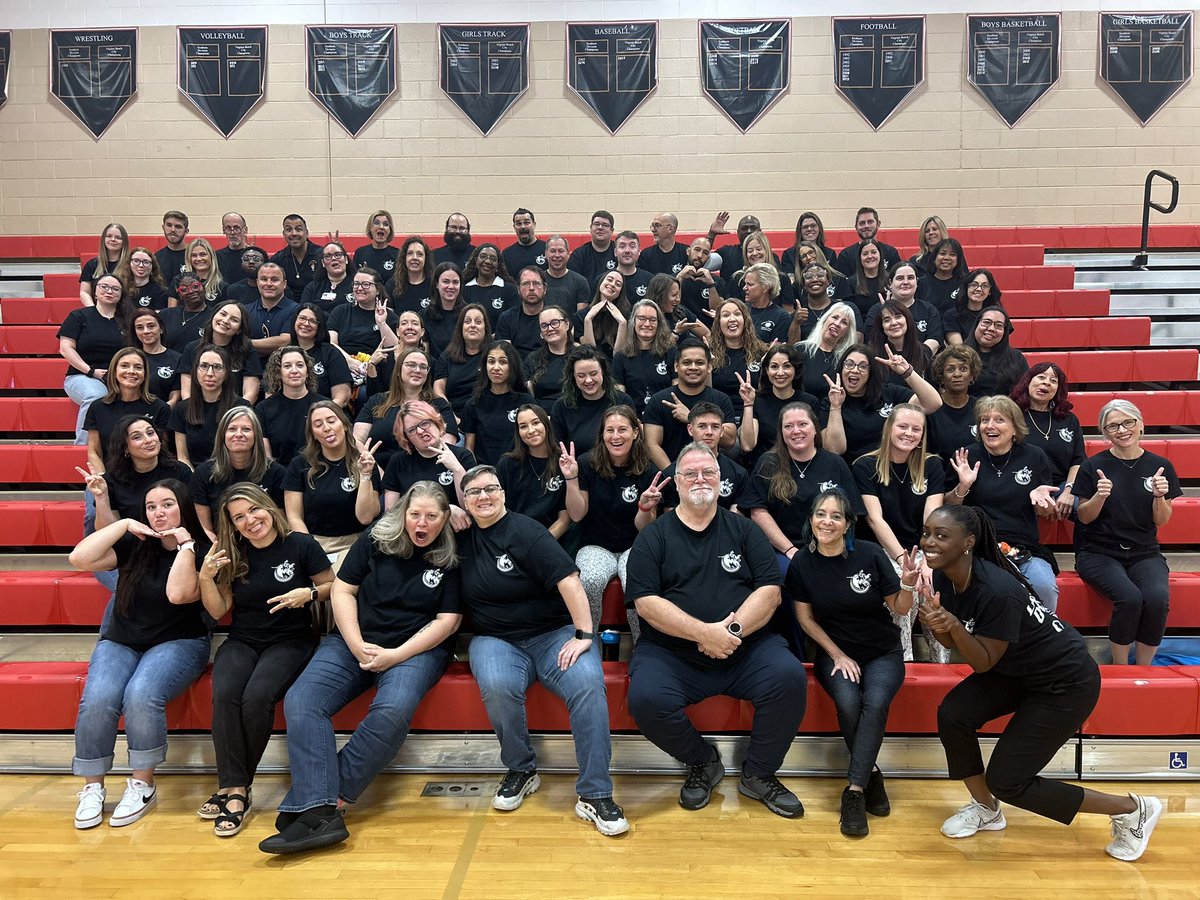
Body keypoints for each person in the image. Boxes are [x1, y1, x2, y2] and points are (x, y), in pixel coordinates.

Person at [918, 505, 1163, 861]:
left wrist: (952, 626)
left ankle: (1130, 809)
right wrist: (942, 627)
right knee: (954, 713)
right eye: (927, 533)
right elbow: (962, 646)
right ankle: (987, 809)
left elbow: (982, 661)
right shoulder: (946, 575)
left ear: (968, 542)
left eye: (941, 535)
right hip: (1017, 669)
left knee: (1008, 780)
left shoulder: (997, 589)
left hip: (1066, 680)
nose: (930, 542)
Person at [259, 482, 463, 854]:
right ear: (402, 514)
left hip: (416, 649)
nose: (422, 523)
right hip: (354, 639)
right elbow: (341, 590)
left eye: (432, 516)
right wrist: (355, 643)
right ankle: (320, 810)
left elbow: (447, 621)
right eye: (415, 514)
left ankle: (324, 803)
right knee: (302, 700)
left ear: (445, 519)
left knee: (392, 709)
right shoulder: (375, 538)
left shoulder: (452, 554)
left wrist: (395, 655)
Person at [626, 442, 807, 817]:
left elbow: (770, 592)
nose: (699, 479)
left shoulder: (744, 529)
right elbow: (646, 604)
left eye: (708, 472)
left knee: (789, 677)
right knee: (645, 698)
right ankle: (703, 761)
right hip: (672, 653)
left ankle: (758, 772)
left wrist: (732, 631)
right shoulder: (653, 536)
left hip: (747, 648)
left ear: (721, 480)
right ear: (676, 482)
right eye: (690, 473)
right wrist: (702, 634)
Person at [455, 464, 629, 836]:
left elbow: (569, 580)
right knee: (499, 685)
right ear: (464, 501)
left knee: (587, 684)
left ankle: (595, 793)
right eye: (474, 492)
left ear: (503, 493)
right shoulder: (459, 535)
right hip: (495, 638)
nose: (483, 497)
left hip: (554, 633)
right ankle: (521, 769)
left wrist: (584, 634)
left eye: (491, 488)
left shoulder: (527, 531)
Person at [68, 479, 211, 830]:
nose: (158, 513)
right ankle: (92, 787)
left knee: (141, 694)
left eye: (167, 505)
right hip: (122, 640)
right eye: (151, 507)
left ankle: (142, 784)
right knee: (98, 698)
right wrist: (123, 524)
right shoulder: (134, 541)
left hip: (179, 641)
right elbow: (78, 558)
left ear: (183, 508)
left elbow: (179, 595)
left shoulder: (204, 547)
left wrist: (186, 544)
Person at [198, 484, 334, 837]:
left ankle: (235, 788)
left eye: (253, 511)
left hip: (291, 640)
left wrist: (310, 593)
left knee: (257, 696)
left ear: (267, 507)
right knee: (225, 693)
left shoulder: (301, 545)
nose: (250, 521)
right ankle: (236, 787)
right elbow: (218, 609)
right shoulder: (232, 553)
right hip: (243, 640)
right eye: (239, 517)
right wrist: (205, 577)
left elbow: (334, 585)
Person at [790, 489, 910, 835]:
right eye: (821, 514)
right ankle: (872, 775)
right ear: (811, 519)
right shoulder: (802, 563)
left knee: (875, 702)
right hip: (834, 652)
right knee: (848, 701)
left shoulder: (870, 555)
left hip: (881, 652)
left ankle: (854, 791)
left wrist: (908, 585)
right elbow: (806, 620)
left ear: (847, 525)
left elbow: (900, 608)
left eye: (836, 516)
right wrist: (838, 654)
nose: (827, 522)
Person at [1073, 400, 1181, 665]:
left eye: (1128, 422)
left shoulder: (1161, 466)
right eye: (1112, 426)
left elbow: (1163, 520)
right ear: (1105, 433)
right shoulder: (1092, 466)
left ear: (1140, 425)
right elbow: (1083, 517)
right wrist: (1099, 496)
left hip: (1144, 552)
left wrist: (1159, 496)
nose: (1121, 430)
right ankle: (1121, 668)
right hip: (1098, 552)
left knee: (1157, 600)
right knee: (1130, 598)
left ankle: (1144, 669)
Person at [946, 395, 1060, 612]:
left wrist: (1042, 501)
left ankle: (1042, 641)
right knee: (989, 588)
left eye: (999, 420)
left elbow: (1044, 511)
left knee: (1044, 586)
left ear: (1015, 428)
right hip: (977, 546)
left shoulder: (1035, 456)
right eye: (984, 420)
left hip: (1024, 547)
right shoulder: (966, 456)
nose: (990, 425)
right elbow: (949, 507)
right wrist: (963, 486)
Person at [854, 403, 946, 661]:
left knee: (933, 588)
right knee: (904, 588)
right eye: (902, 426)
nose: (909, 433)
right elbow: (875, 520)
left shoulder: (932, 465)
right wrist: (903, 563)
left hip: (924, 548)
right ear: (889, 429)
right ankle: (902, 662)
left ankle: (943, 667)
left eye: (916, 429)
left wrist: (929, 560)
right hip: (882, 551)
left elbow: (933, 519)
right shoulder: (865, 465)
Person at [561, 405, 664, 630]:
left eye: (622, 430)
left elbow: (645, 530)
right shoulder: (587, 463)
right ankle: (588, 642)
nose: (615, 436)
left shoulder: (648, 469)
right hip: (595, 545)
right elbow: (577, 515)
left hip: (635, 546)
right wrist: (571, 479)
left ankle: (643, 646)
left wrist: (645, 508)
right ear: (602, 434)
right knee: (589, 579)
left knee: (636, 583)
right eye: (609, 430)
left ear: (636, 432)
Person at [743, 402, 864, 575]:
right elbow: (757, 512)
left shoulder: (835, 463)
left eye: (802, 424)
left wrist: (830, 548)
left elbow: (852, 513)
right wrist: (790, 550)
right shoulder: (768, 463)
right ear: (782, 433)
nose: (796, 431)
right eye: (788, 426)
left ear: (815, 428)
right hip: (782, 550)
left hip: (830, 546)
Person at [285, 401, 383, 573]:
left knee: (339, 582)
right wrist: (310, 550)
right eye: (318, 424)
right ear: (313, 434)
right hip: (315, 543)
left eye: (331, 421)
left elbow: (366, 517)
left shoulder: (365, 461)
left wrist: (365, 474)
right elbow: (294, 518)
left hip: (356, 543)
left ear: (345, 425)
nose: (326, 428)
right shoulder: (299, 465)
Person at [822, 343, 942, 463]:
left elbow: (933, 403)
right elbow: (835, 449)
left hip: (891, 468)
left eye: (863, 367)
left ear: (871, 372)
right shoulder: (831, 401)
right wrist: (836, 406)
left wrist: (906, 372)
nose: (855, 370)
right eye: (849, 364)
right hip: (854, 471)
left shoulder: (889, 392)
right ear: (841, 368)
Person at [78, 415, 193, 534]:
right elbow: (106, 532)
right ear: (125, 448)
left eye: (150, 433)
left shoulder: (180, 471)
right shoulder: (111, 480)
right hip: (134, 543)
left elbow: (193, 518)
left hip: (177, 540)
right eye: (137, 437)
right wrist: (101, 497)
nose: (148, 440)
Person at [355, 346, 459, 473]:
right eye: (411, 365)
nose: (417, 370)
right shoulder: (377, 401)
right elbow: (357, 440)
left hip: (425, 475)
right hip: (377, 472)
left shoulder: (439, 404)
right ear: (398, 370)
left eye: (423, 367)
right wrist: (376, 472)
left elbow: (447, 443)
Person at [191, 406, 286, 537]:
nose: (239, 434)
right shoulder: (203, 473)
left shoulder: (276, 472)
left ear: (256, 435)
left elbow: (280, 522)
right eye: (232, 429)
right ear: (222, 435)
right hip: (222, 544)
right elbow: (206, 529)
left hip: (266, 542)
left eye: (246, 429)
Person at [643, 338, 737, 468]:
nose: (693, 367)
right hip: (671, 478)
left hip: (710, 474)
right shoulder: (659, 401)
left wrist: (690, 418)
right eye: (687, 362)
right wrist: (675, 477)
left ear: (709, 367)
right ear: (676, 366)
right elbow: (651, 445)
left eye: (699, 362)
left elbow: (730, 441)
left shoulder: (721, 399)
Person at [60, 273, 129, 444]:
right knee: (96, 396)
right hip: (82, 375)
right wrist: (91, 371)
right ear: (95, 292)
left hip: (119, 378)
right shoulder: (79, 316)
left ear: (121, 295)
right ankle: (83, 447)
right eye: (104, 287)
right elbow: (66, 349)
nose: (109, 291)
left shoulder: (127, 321)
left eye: (115, 289)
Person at [1011, 363, 1085, 520]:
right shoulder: (1012, 415)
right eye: (1041, 377)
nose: (1046, 382)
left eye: (1053, 380)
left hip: (1060, 486)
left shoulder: (1068, 419)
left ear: (1058, 390)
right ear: (1028, 382)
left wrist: (1069, 491)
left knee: (1086, 507)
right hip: (1022, 483)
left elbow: (1078, 460)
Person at [84, 348, 171, 477]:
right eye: (124, 366)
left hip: (150, 477)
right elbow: (94, 451)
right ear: (114, 372)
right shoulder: (97, 407)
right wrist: (104, 479)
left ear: (145, 374)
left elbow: (160, 450)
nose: (131, 371)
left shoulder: (160, 408)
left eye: (138, 367)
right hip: (110, 476)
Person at [380, 400, 475, 515]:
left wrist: (457, 469)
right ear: (406, 437)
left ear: (436, 422)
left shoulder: (462, 456)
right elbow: (390, 513)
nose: (420, 431)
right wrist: (446, 511)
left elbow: (470, 508)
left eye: (424, 423)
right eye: (412, 430)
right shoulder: (398, 461)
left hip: (455, 528)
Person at [168, 346, 251, 468]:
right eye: (204, 366)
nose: (210, 373)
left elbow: (246, 455)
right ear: (195, 370)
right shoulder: (182, 409)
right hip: (194, 474)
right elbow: (183, 457)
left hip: (231, 473)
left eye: (217, 367)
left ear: (226, 372)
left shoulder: (241, 407)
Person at [740, 343, 821, 466]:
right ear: (767, 370)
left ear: (795, 370)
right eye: (774, 367)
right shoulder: (756, 400)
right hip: (766, 467)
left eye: (787, 366)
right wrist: (748, 404)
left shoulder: (810, 402)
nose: (780, 372)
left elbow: (816, 443)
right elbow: (747, 445)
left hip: (801, 466)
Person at [496, 404, 570, 538]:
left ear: (546, 425)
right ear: (518, 432)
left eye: (536, 423)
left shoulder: (563, 463)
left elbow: (564, 519)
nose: (531, 430)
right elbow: (499, 510)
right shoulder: (507, 464)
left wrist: (540, 545)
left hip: (550, 540)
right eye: (523, 426)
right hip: (513, 537)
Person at [549, 345, 634, 456]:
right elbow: (557, 449)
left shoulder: (622, 400)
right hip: (576, 470)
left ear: (603, 372)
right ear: (573, 377)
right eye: (581, 375)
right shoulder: (562, 406)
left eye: (593, 374)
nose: (588, 380)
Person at [461, 341, 533, 465]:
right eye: (491, 361)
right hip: (485, 473)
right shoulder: (473, 404)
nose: (496, 368)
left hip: (519, 469)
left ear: (512, 366)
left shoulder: (525, 401)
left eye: (503, 362)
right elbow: (469, 449)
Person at [328, 267, 400, 386]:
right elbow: (331, 343)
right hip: (342, 364)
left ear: (377, 290)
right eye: (356, 284)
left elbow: (394, 348)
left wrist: (382, 323)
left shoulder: (389, 316)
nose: (360, 288)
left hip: (374, 370)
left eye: (366, 284)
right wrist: (349, 361)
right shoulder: (340, 311)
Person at [257, 346, 329, 465]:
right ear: (278, 373)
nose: (294, 370)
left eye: (300, 365)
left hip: (319, 470)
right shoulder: (263, 409)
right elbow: (267, 458)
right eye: (287, 366)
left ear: (307, 372)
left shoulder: (325, 406)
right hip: (280, 475)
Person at [179, 300, 262, 403]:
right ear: (213, 315)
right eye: (223, 314)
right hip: (197, 411)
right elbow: (187, 392)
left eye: (234, 320)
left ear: (239, 330)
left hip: (234, 412)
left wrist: (236, 415)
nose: (226, 321)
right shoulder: (192, 348)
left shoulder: (247, 351)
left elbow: (250, 393)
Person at [863, 262, 944, 356]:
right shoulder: (877, 310)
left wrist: (916, 358)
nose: (905, 282)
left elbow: (935, 339)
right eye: (900, 278)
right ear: (890, 283)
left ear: (917, 282)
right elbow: (871, 340)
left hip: (920, 364)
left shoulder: (929, 309)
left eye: (910, 278)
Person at [614, 299, 676, 415]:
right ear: (633, 321)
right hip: (633, 419)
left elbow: (676, 393)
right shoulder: (620, 357)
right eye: (642, 318)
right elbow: (620, 400)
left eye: (652, 320)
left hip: (665, 417)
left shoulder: (672, 353)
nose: (647, 324)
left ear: (659, 323)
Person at [708, 298, 768, 419]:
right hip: (719, 418)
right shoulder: (709, 353)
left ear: (745, 320)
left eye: (737, 314)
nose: (732, 319)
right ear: (718, 322)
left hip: (754, 417)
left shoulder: (762, 352)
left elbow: (766, 394)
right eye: (725, 315)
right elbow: (706, 393)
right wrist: (707, 365)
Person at [926, 345, 983, 466]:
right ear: (941, 377)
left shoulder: (981, 408)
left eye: (963, 369)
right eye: (950, 370)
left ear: (972, 375)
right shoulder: (931, 409)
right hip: (940, 477)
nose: (957, 374)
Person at [291, 303, 353, 408]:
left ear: (320, 326)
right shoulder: (283, 352)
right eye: (302, 318)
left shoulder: (331, 353)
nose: (306, 324)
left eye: (313, 321)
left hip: (325, 414)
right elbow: (271, 392)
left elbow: (342, 397)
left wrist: (319, 415)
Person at [433, 303, 488, 417]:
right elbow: (438, 389)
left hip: (487, 416)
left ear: (485, 328)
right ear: (461, 327)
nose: (472, 325)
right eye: (467, 322)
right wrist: (450, 416)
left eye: (478, 322)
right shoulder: (447, 356)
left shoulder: (493, 355)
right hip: (455, 416)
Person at [797, 302, 859, 401]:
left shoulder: (846, 360)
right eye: (835, 317)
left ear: (846, 334)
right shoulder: (801, 350)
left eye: (844, 322)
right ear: (825, 320)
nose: (837, 323)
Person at [867, 301, 933, 387]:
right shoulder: (872, 354)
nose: (894, 323)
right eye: (887, 320)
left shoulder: (924, 351)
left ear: (907, 320)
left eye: (898, 317)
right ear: (881, 326)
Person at [967, 307, 1027, 398]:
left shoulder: (1016, 358)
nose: (991, 329)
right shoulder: (958, 355)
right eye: (987, 322)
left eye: (998, 325)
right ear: (977, 324)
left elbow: (1024, 390)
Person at [728, 232, 797, 312]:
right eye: (750, 251)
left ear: (767, 250)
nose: (754, 253)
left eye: (758, 249)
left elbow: (788, 312)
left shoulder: (782, 278)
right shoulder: (737, 279)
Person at [526, 305, 577, 406]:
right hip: (544, 417)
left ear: (567, 324)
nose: (550, 328)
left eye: (554, 323)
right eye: (544, 326)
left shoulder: (581, 356)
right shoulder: (533, 359)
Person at [130, 309, 182, 406]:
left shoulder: (177, 358)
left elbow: (175, 396)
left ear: (161, 328)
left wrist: (162, 412)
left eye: (151, 326)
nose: (146, 331)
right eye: (140, 327)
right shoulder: (130, 357)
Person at [496, 266, 549, 357]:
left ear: (545, 288)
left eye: (536, 283)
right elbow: (505, 355)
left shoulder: (555, 318)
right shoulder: (507, 318)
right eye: (526, 284)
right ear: (518, 289)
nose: (531, 288)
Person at [834, 207, 902, 278]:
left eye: (870, 222)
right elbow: (843, 284)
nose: (866, 226)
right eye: (862, 223)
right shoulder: (845, 255)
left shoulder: (891, 253)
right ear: (856, 227)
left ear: (878, 224)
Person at [577, 270, 629, 359]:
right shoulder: (580, 316)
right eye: (609, 279)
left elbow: (619, 357)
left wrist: (622, 323)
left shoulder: (626, 316)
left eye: (618, 284)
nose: (612, 284)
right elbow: (589, 354)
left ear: (620, 292)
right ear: (601, 282)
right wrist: (588, 320)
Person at [270, 214, 322, 301]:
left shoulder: (321, 255)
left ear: (306, 233)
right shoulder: (278, 260)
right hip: (289, 308)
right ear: (284, 234)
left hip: (318, 305)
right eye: (289, 229)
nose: (294, 233)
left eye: (299, 229)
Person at [944, 268, 1003, 346]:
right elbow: (958, 347)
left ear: (990, 291)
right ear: (966, 288)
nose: (979, 289)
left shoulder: (997, 315)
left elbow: (1001, 343)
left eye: (985, 286)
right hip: (965, 356)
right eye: (974, 284)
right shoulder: (951, 315)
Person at [161, 273, 216, 353]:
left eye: (195, 286)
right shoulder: (166, 315)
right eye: (184, 290)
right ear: (179, 294)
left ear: (203, 287)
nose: (191, 291)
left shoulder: (214, 316)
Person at [649, 272, 709, 343]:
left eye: (678, 295)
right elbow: (659, 351)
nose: (678, 300)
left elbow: (707, 334)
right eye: (674, 295)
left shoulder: (680, 311)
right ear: (660, 295)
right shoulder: (647, 318)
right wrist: (676, 333)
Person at [80, 223, 131, 307]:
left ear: (124, 242)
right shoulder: (92, 264)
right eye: (109, 236)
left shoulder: (130, 264)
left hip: (123, 312)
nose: (113, 239)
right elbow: (84, 292)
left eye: (118, 237)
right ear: (104, 239)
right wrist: (93, 310)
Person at [675, 237, 726, 319]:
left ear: (708, 258)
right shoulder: (674, 278)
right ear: (688, 251)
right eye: (697, 250)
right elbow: (672, 305)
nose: (700, 255)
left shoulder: (717, 281)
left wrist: (710, 284)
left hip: (709, 327)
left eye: (705, 253)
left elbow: (717, 311)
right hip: (681, 326)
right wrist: (680, 278)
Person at [300, 241, 356, 316]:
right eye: (328, 256)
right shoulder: (312, 287)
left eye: (338, 255)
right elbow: (303, 313)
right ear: (323, 263)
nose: (333, 258)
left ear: (346, 259)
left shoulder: (357, 285)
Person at [463, 242, 518, 318]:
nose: (487, 261)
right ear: (476, 261)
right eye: (483, 256)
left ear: (498, 264)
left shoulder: (509, 289)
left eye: (493, 258)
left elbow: (514, 319)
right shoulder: (465, 289)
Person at [423, 263, 466, 359]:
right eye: (446, 281)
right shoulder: (424, 315)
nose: (451, 286)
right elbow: (425, 353)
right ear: (437, 284)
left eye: (455, 282)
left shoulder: (468, 314)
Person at [920, 238, 969, 313]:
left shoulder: (965, 284)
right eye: (942, 253)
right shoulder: (921, 283)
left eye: (952, 255)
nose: (946, 258)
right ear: (934, 258)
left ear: (958, 260)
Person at [567, 210, 617, 283]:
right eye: (596, 224)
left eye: (605, 225)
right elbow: (573, 285)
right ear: (590, 228)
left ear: (612, 230)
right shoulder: (578, 255)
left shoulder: (619, 252)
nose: (600, 227)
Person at [543, 235, 591, 312]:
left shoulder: (580, 282)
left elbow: (580, 318)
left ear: (568, 254)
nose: (557, 255)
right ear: (546, 254)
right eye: (553, 251)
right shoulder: (539, 281)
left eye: (561, 251)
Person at [389, 235, 435, 315]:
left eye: (420, 254)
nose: (414, 258)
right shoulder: (392, 285)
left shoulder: (434, 285)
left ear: (426, 259)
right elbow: (389, 318)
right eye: (410, 253)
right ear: (404, 258)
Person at [846, 239, 888, 319]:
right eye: (865, 254)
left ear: (880, 255)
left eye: (874, 252)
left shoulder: (890, 280)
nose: (870, 256)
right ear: (860, 258)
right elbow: (849, 313)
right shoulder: (850, 283)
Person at [607, 229, 653, 301]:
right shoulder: (604, 280)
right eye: (622, 246)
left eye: (632, 246)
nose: (627, 250)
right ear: (615, 252)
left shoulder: (650, 280)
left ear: (638, 252)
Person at [502, 207, 547, 275]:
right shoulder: (507, 254)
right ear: (514, 227)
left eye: (526, 223)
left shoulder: (547, 249)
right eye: (518, 224)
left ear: (534, 224)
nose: (523, 227)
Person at [353, 210, 399, 275]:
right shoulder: (360, 253)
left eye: (386, 224)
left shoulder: (397, 254)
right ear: (370, 228)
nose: (381, 227)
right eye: (376, 223)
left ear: (390, 230)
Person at [183, 238, 227, 305]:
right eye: (194, 255)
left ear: (211, 256)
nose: (199, 259)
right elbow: (172, 311)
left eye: (203, 254)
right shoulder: (181, 284)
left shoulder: (222, 287)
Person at [124, 247, 170, 312]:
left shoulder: (160, 292)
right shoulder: (121, 288)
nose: (141, 265)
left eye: (146, 262)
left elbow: (159, 317)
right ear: (129, 263)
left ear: (152, 266)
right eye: (136, 261)